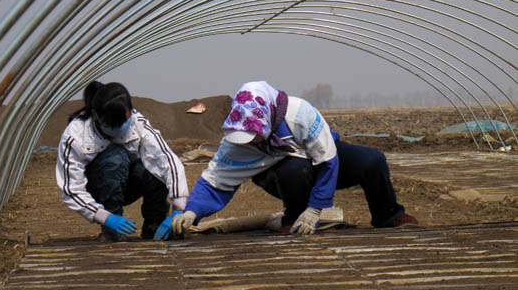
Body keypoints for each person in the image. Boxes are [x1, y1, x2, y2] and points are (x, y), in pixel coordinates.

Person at [171, 80, 417, 236]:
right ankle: (294, 218)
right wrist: (192, 212)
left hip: (319, 162)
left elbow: (329, 161)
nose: (248, 141)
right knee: (295, 170)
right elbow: (215, 180)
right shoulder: (235, 142)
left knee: (372, 160)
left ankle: (388, 214)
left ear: (265, 119)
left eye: (252, 135)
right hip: (282, 174)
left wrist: (316, 209)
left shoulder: (300, 113)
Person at [56, 81, 188, 242]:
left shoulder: (138, 123)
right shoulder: (75, 136)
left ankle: (155, 224)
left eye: (124, 121)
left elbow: (167, 160)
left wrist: (178, 208)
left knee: (153, 167)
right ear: (95, 115)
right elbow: (71, 189)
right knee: (115, 157)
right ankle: (111, 230)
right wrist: (105, 217)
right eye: (113, 124)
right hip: (97, 190)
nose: (120, 129)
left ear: (130, 112)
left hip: (128, 184)